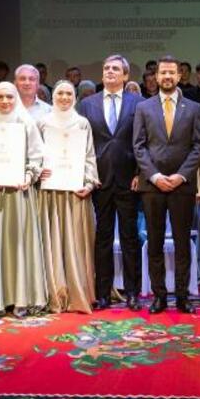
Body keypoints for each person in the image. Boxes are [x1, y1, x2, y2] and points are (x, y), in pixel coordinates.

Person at [133, 56, 200, 314]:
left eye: (171, 73)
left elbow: (198, 146)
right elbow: (138, 147)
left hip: (182, 186)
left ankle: (183, 296)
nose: (167, 77)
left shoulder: (195, 108)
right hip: (152, 186)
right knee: (154, 242)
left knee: (183, 242)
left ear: (179, 76)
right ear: (156, 75)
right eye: (163, 72)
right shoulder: (144, 107)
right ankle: (160, 296)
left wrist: (181, 176)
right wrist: (154, 176)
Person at [0, 82, 47, 316]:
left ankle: (21, 298)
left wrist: (28, 175)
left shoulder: (25, 124)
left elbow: (36, 156)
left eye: (9, 97)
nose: (4, 101)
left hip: (18, 194)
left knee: (18, 243)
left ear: (16, 99)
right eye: (0, 97)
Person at [78, 54, 143, 310]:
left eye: (116, 69)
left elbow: (142, 141)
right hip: (100, 180)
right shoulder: (87, 104)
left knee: (130, 238)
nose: (110, 72)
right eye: (106, 68)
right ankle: (103, 293)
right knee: (102, 238)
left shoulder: (138, 103)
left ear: (126, 75)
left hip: (129, 180)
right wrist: (87, 176)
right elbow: (82, 143)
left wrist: (140, 173)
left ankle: (133, 293)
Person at [36, 81, 98, 313]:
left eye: (68, 93)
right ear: (53, 96)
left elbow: (90, 156)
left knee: (75, 244)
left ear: (75, 97)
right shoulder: (42, 122)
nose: (64, 97)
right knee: (52, 242)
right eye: (60, 93)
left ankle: (77, 292)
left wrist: (89, 183)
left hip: (75, 192)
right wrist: (38, 170)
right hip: (50, 193)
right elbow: (34, 154)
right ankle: (55, 291)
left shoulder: (82, 123)